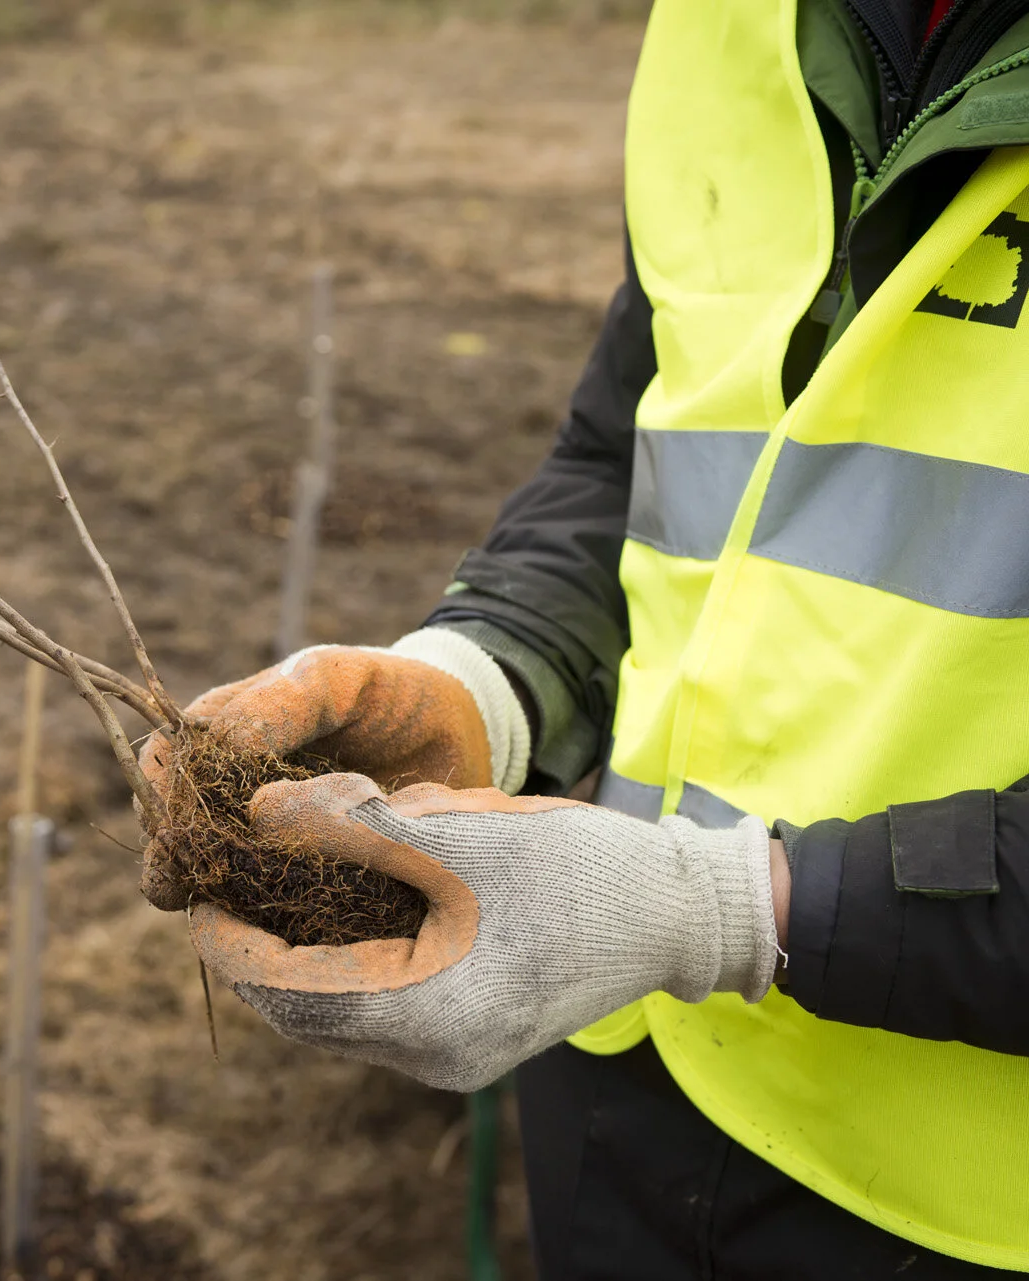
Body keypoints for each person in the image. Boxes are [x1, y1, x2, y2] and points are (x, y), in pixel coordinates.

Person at [136, 1, 1029, 1275]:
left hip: (957, 1214)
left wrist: (718, 909)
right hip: (622, 1081)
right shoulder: (730, 27)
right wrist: (488, 679)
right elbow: (646, 444)